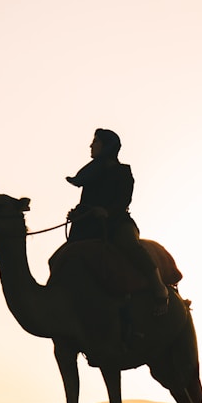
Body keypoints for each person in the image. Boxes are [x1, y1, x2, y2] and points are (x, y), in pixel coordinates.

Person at [66, 128, 169, 313]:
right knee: (63, 256)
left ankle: (159, 287)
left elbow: (123, 201)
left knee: (129, 244)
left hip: (118, 222)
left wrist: (106, 211)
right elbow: (86, 203)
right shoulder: (91, 175)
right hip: (91, 225)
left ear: (106, 146)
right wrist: (78, 213)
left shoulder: (123, 172)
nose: (91, 145)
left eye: (95, 142)